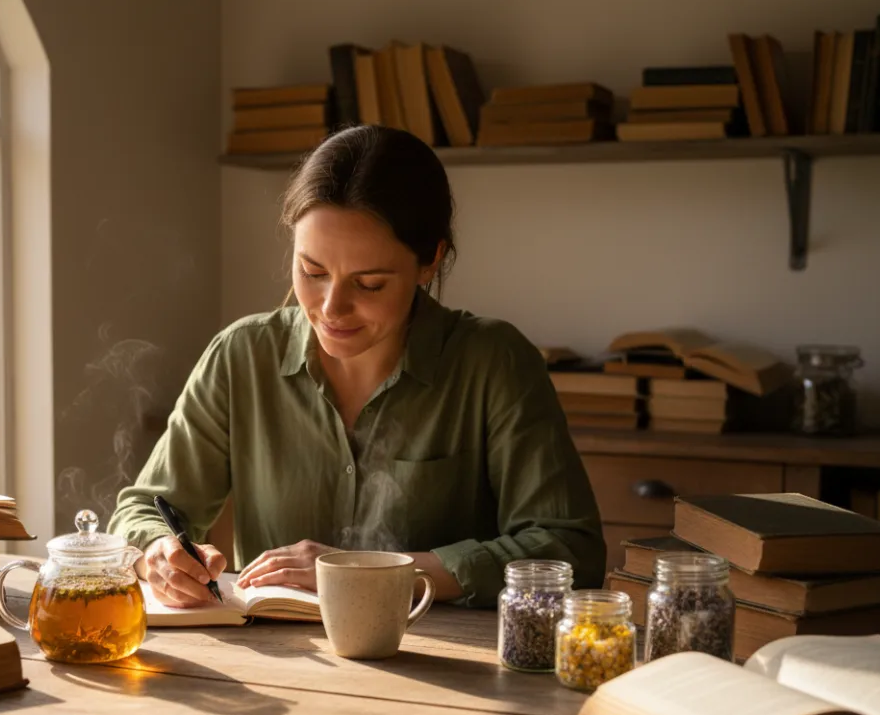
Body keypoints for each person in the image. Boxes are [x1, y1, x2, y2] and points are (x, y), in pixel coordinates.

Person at [106, 125, 604, 610]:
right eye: (312, 272)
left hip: (449, 668)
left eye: (369, 284)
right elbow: (140, 510)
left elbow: (569, 550)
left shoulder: (494, 362)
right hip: (277, 664)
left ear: (430, 261)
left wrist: (377, 572)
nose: (331, 307)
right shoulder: (241, 356)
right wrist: (158, 554)